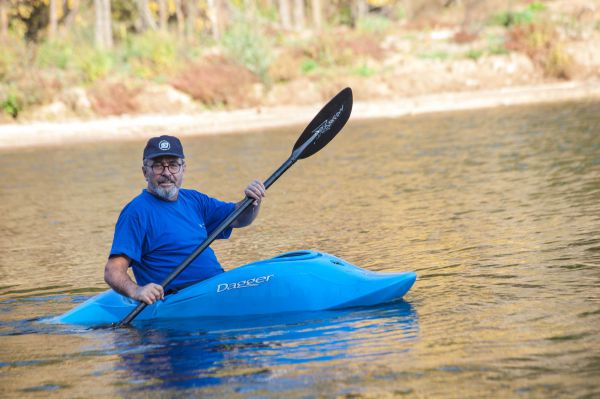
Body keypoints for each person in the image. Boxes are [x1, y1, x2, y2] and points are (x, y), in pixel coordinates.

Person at [104, 135, 266, 305]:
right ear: (145, 172)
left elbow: (239, 219)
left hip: (216, 287)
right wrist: (137, 291)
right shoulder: (136, 212)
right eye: (158, 166)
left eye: (173, 165)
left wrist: (253, 201)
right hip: (180, 300)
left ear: (183, 169)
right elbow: (112, 271)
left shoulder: (195, 200)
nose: (167, 173)